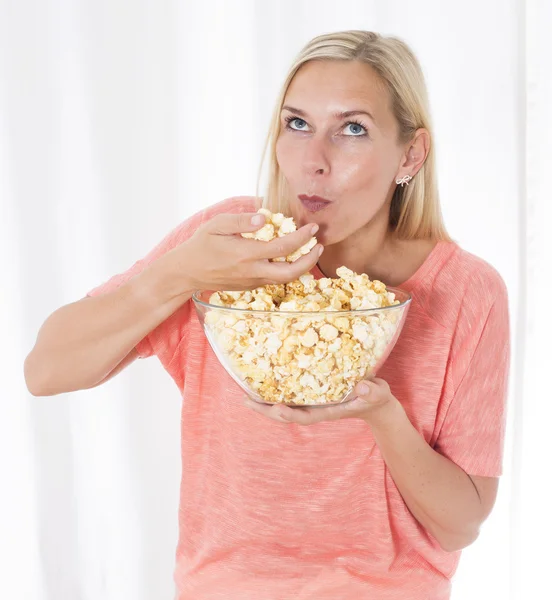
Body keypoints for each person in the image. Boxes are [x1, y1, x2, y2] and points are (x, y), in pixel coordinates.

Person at [24, 30, 510, 600]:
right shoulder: (229, 241)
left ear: (411, 154)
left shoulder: (466, 291)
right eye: (296, 124)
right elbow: (46, 370)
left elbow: (461, 523)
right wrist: (180, 274)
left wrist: (383, 417)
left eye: (352, 129)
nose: (313, 161)